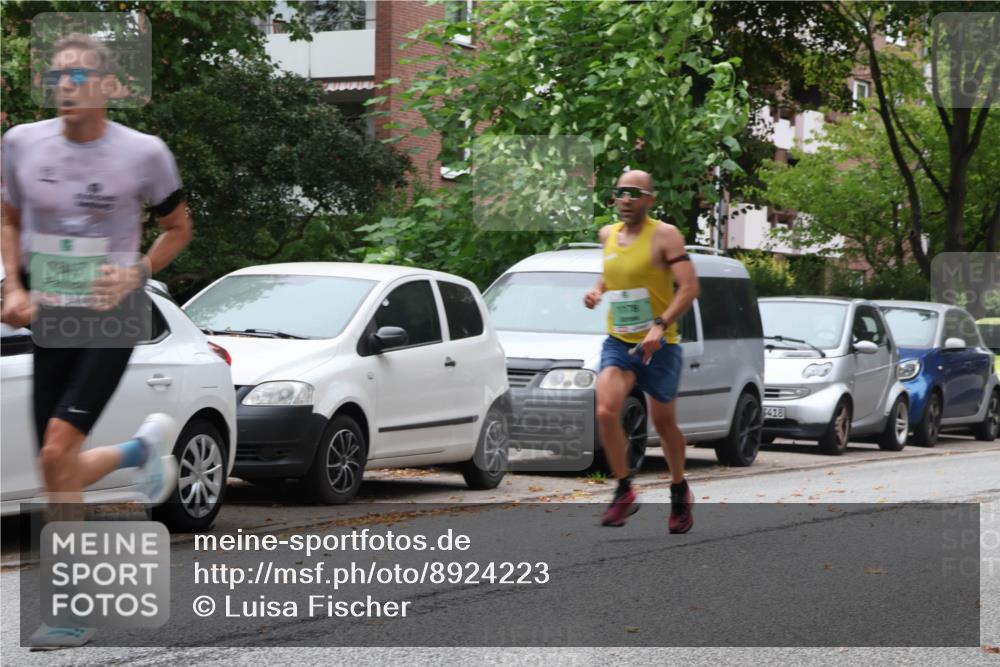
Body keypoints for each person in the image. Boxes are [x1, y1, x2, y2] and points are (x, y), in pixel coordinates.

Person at [0, 33, 193, 648]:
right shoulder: (21, 145)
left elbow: (177, 227)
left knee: (58, 447)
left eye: (80, 76)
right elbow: (7, 215)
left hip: (111, 312)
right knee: (54, 465)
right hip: (51, 309)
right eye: (58, 76)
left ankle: (71, 607)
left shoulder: (144, 154)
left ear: (109, 87)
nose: (65, 87)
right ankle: (138, 453)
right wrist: (13, 285)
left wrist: (138, 272)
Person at [584, 169, 699, 532]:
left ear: (650, 199)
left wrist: (660, 325)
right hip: (620, 341)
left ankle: (679, 489)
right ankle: (624, 489)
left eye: (635, 193)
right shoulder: (608, 235)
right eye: (621, 193)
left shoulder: (665, 236)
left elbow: (689, 288)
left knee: (664, 423)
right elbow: (615, 272)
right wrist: (598, 290)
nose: (627, 199)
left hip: (662, 343)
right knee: (605, 410)